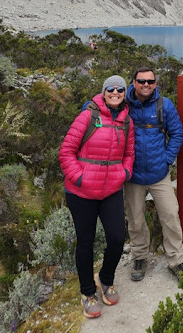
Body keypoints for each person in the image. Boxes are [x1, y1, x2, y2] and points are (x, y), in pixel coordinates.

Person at [59, 75, 134, 319]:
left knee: (117, 238)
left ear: (124, 93)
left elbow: (129, 153)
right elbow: (66, 151)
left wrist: (124, 173)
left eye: (119, 89)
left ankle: (106, 278)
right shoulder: (88, 116)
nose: (115, 92)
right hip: (81, 192)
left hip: (110, 189)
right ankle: (88, 292)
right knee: (85, 242)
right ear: (103, 92)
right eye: (110, 89)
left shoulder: (126, 121)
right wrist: (80, 178)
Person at [125, 67, 183, 282]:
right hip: (133, 177)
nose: (146, 85)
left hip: (159, 174)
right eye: (141, 81)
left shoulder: (164, 105)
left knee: (170, 216)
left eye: (150, 81)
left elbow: (177, 133)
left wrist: (166, 159)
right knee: (135, 219)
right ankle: (139, 257)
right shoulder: (124, 104)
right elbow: (101, 110)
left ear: (155, 84)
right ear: (133, 82)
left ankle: (176, 260)